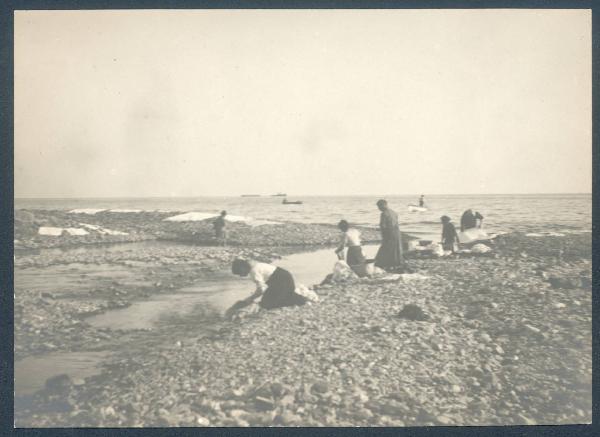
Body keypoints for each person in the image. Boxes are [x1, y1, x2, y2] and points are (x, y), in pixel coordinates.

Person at [226, 258, 306, 317]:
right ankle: (301, 300)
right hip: (286, 276)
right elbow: (263, 288)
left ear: (243, 268)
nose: (240, 276)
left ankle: (301, 300)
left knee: (267, 304)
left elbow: (261, 289)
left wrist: (251, 298)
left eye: (240, 273)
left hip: (281, 281)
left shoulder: (254, 272)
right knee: (281, 297)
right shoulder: (256, 265)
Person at [374, 199, 405, 272]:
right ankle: (395, 263)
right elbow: (396, 223)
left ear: (383, 205)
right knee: (395, 249)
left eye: (379, 206)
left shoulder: (384, 213)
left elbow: (383, 226)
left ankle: (384, 264)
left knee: (386, 249)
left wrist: (383, 235)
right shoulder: (394, 212)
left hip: (389, 233)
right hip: (396, 232)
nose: (378, 208)